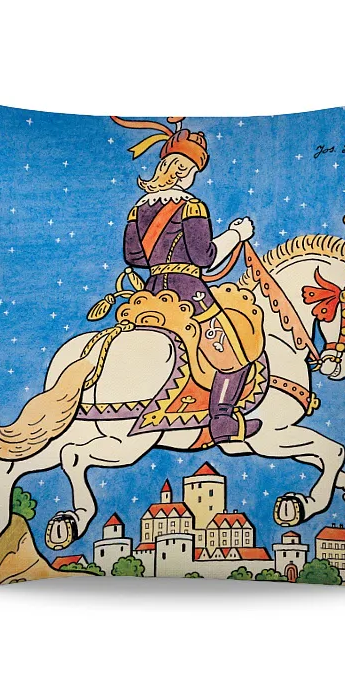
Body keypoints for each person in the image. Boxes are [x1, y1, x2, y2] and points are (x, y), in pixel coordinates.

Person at [112, 116, 261, 444]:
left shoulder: (138, 209)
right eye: (193, 170)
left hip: (151, 293)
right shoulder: (192, 206)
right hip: (190, 295)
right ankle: (222, 421)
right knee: (236, 357)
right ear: (183, 171)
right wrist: (236, 235)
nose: (193, 177)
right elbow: (205, 257)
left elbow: (133, 257)